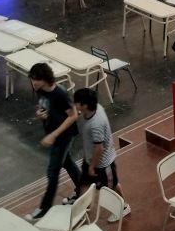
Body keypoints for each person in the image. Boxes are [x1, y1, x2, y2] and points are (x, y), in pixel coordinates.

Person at [26, 63, 81, 221]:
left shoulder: (60, 94)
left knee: (53, 172)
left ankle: (44, 208)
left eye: (36, 80)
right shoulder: (40, 90)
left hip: (63, 137)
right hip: (53, 133)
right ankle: (82, 190)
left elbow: (73, 115)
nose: (33, 83)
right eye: (32, 79)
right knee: (68, 162)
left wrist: (53, 135)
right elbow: (43, 106)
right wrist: (40, 113)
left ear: (45, 78)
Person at [72, 88, 130, 221]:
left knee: (112, 186)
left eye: (77, 103)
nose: (75, 105)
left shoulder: (96, 124)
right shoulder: (95, 107)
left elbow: (99, 148)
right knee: (84, 183)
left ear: (84, 105)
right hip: (90, 158)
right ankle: (82, 209)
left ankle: (124, 207)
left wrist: (92, 166)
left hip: (102, 163)